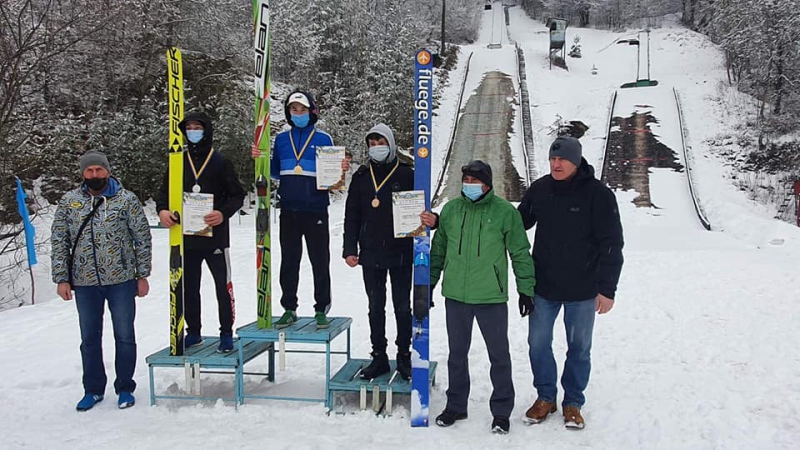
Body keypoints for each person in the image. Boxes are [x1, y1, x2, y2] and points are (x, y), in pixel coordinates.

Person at [517, 136, 624, 430]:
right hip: (544, 288)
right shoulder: (540, 189)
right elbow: (517, 223)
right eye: (552, 159)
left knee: (579, 348)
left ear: (576, 161)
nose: (556, 164)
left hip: (583, 290)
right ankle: (545, 397)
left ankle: (573, 402)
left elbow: (612, 244)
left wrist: (607, 289)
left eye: (562, 159)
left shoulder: (598, 195)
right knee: (537, 344)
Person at [430, 160, 536, 434]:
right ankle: (456, 405)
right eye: (465, 180)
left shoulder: (504, 213)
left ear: (487, 184)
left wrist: (526, 289)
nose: (469, 185)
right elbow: (438, 251)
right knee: (456, 354)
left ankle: (501, 411)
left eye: (475, 181)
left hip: (491, 297)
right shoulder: (451, 210)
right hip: (456, 296)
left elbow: (520, 252)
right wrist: (426, 285)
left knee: (499, 355)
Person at [51, 150, 152, 411]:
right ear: (83, 173)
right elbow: (59, 241)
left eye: (99, 170)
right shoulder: (69, 202)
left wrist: (142, 275)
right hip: (84, 282)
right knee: (89, 338)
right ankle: (93, 389)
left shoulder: (126, 200)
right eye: (89, 171)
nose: (95, 175)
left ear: (107, 171)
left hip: (122, 279)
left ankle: (125, 387)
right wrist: (62, 278)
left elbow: (141, 238)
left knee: (125, 335)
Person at [342, 124, 437, 381]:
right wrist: (350, 248)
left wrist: (432, 220)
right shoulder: (361, 176)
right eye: (371, 144)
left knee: (402, 308)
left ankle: (404, 356)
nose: (376, 148)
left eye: (380, 142)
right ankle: (379, 357)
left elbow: (424, 210)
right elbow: (352, 214)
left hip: (401, 253)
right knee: (375, 307)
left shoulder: (407, 174)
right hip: (370, 253)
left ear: (391, 144)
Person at [251, 91, 349, 329]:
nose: (298, 114)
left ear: (311, 111)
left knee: (319, 260)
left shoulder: (324, 138)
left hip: (315, 209)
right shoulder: (281, 140)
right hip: (289, 210)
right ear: (288, 112)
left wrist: (341, 167)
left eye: (302, 110)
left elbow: (334, 176)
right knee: (289, 260)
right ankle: (289, 307)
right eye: (294, 110)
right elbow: (274, 171)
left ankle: (321, 308)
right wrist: (259, 156)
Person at [157, 111, 246, 353]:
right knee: (189, 286)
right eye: (190, 128)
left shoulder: (220, 161)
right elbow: (163, 193)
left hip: (214, 236)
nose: (193, 132)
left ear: (207, 130)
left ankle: (226, 332)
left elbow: (238, 195)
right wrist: (163, 211)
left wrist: (222, 213)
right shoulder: (177, 161)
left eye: (198, 127)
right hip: (186, 236)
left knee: (221, 285)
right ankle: (193, 332)